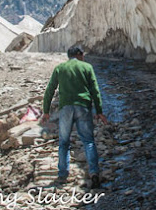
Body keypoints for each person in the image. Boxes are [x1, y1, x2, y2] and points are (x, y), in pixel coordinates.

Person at [41, 46, 108, 188]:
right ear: (78, 54)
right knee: (88, 141)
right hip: (83, 107)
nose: (83, 56)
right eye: (82, 54)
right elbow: (95, 90)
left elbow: (50, 90)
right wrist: (99, 111)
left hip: (65, 108)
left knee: (64, 142)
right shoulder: (87, 67)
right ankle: (94, 173)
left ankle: (63, 174)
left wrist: (46, 111)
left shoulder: (60, 68)